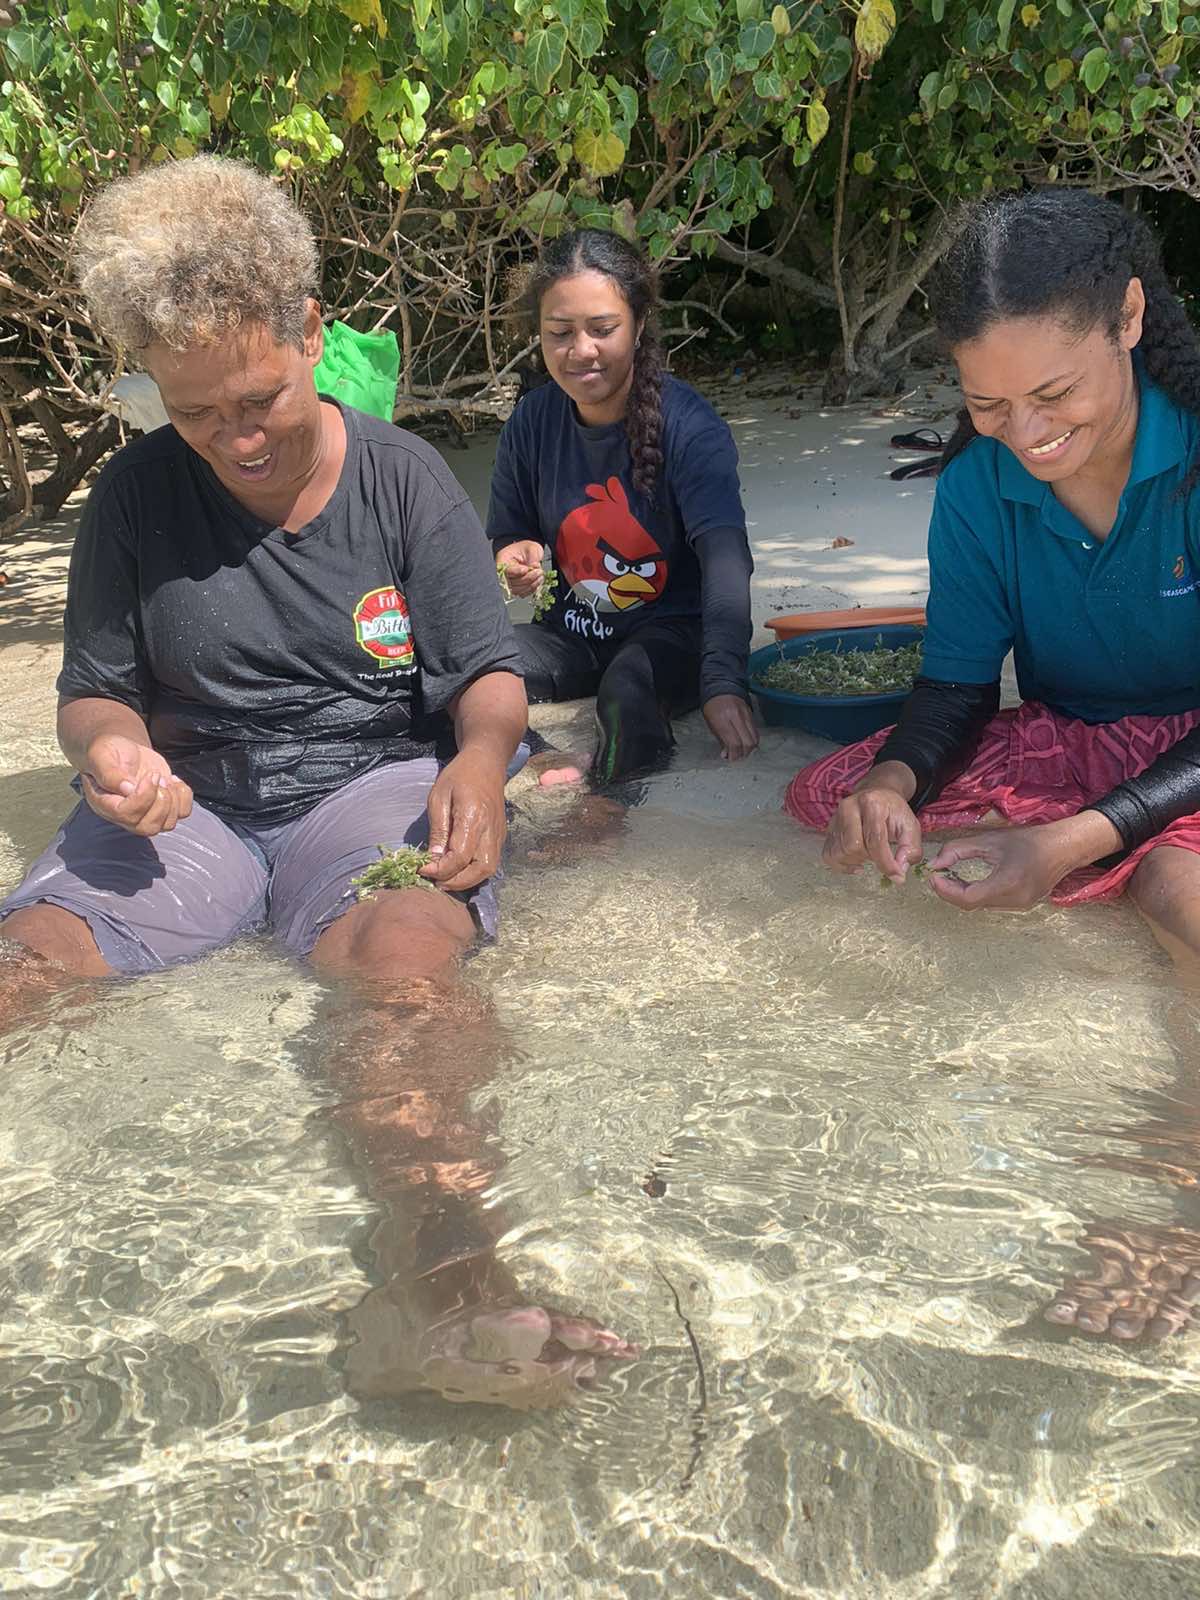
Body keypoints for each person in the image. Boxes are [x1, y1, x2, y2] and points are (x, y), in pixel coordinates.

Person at [0, 155, 635, 1405]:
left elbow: (486, 678)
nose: (233, 437)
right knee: (27, 966)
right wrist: (111, 752)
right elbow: (95, 691)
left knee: (402, 965)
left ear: (309, 331)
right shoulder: (131, 498)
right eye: (193, 413)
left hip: (367, 788)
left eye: (256, 396)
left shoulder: (401, 478)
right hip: (191, 807)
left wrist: (478, 759)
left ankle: (451, 1275)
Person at [786, 187, 1200, 1342]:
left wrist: (1073, 840)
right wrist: (891, 784)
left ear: (1128, 316)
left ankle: (1174, 1201)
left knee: (1179, 890)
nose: (1026, 433)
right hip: (1080, 737)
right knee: (834, 796)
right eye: (988, 402)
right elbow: (960, 687)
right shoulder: (979, 485)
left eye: (1054, 395)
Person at [489, 227, 758, 786]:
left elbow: (727, 562)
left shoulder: (690, 427)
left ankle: (606, 807)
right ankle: (538, 753)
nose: (580, 350)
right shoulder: (532, 423)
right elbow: (509, 532)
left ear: (637, 324)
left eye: (602, 329)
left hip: (671, 638)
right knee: (475, 659)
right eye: (559, 332)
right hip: (570, 633)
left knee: (626, 688)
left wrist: (724, 681)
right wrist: (513, 557)